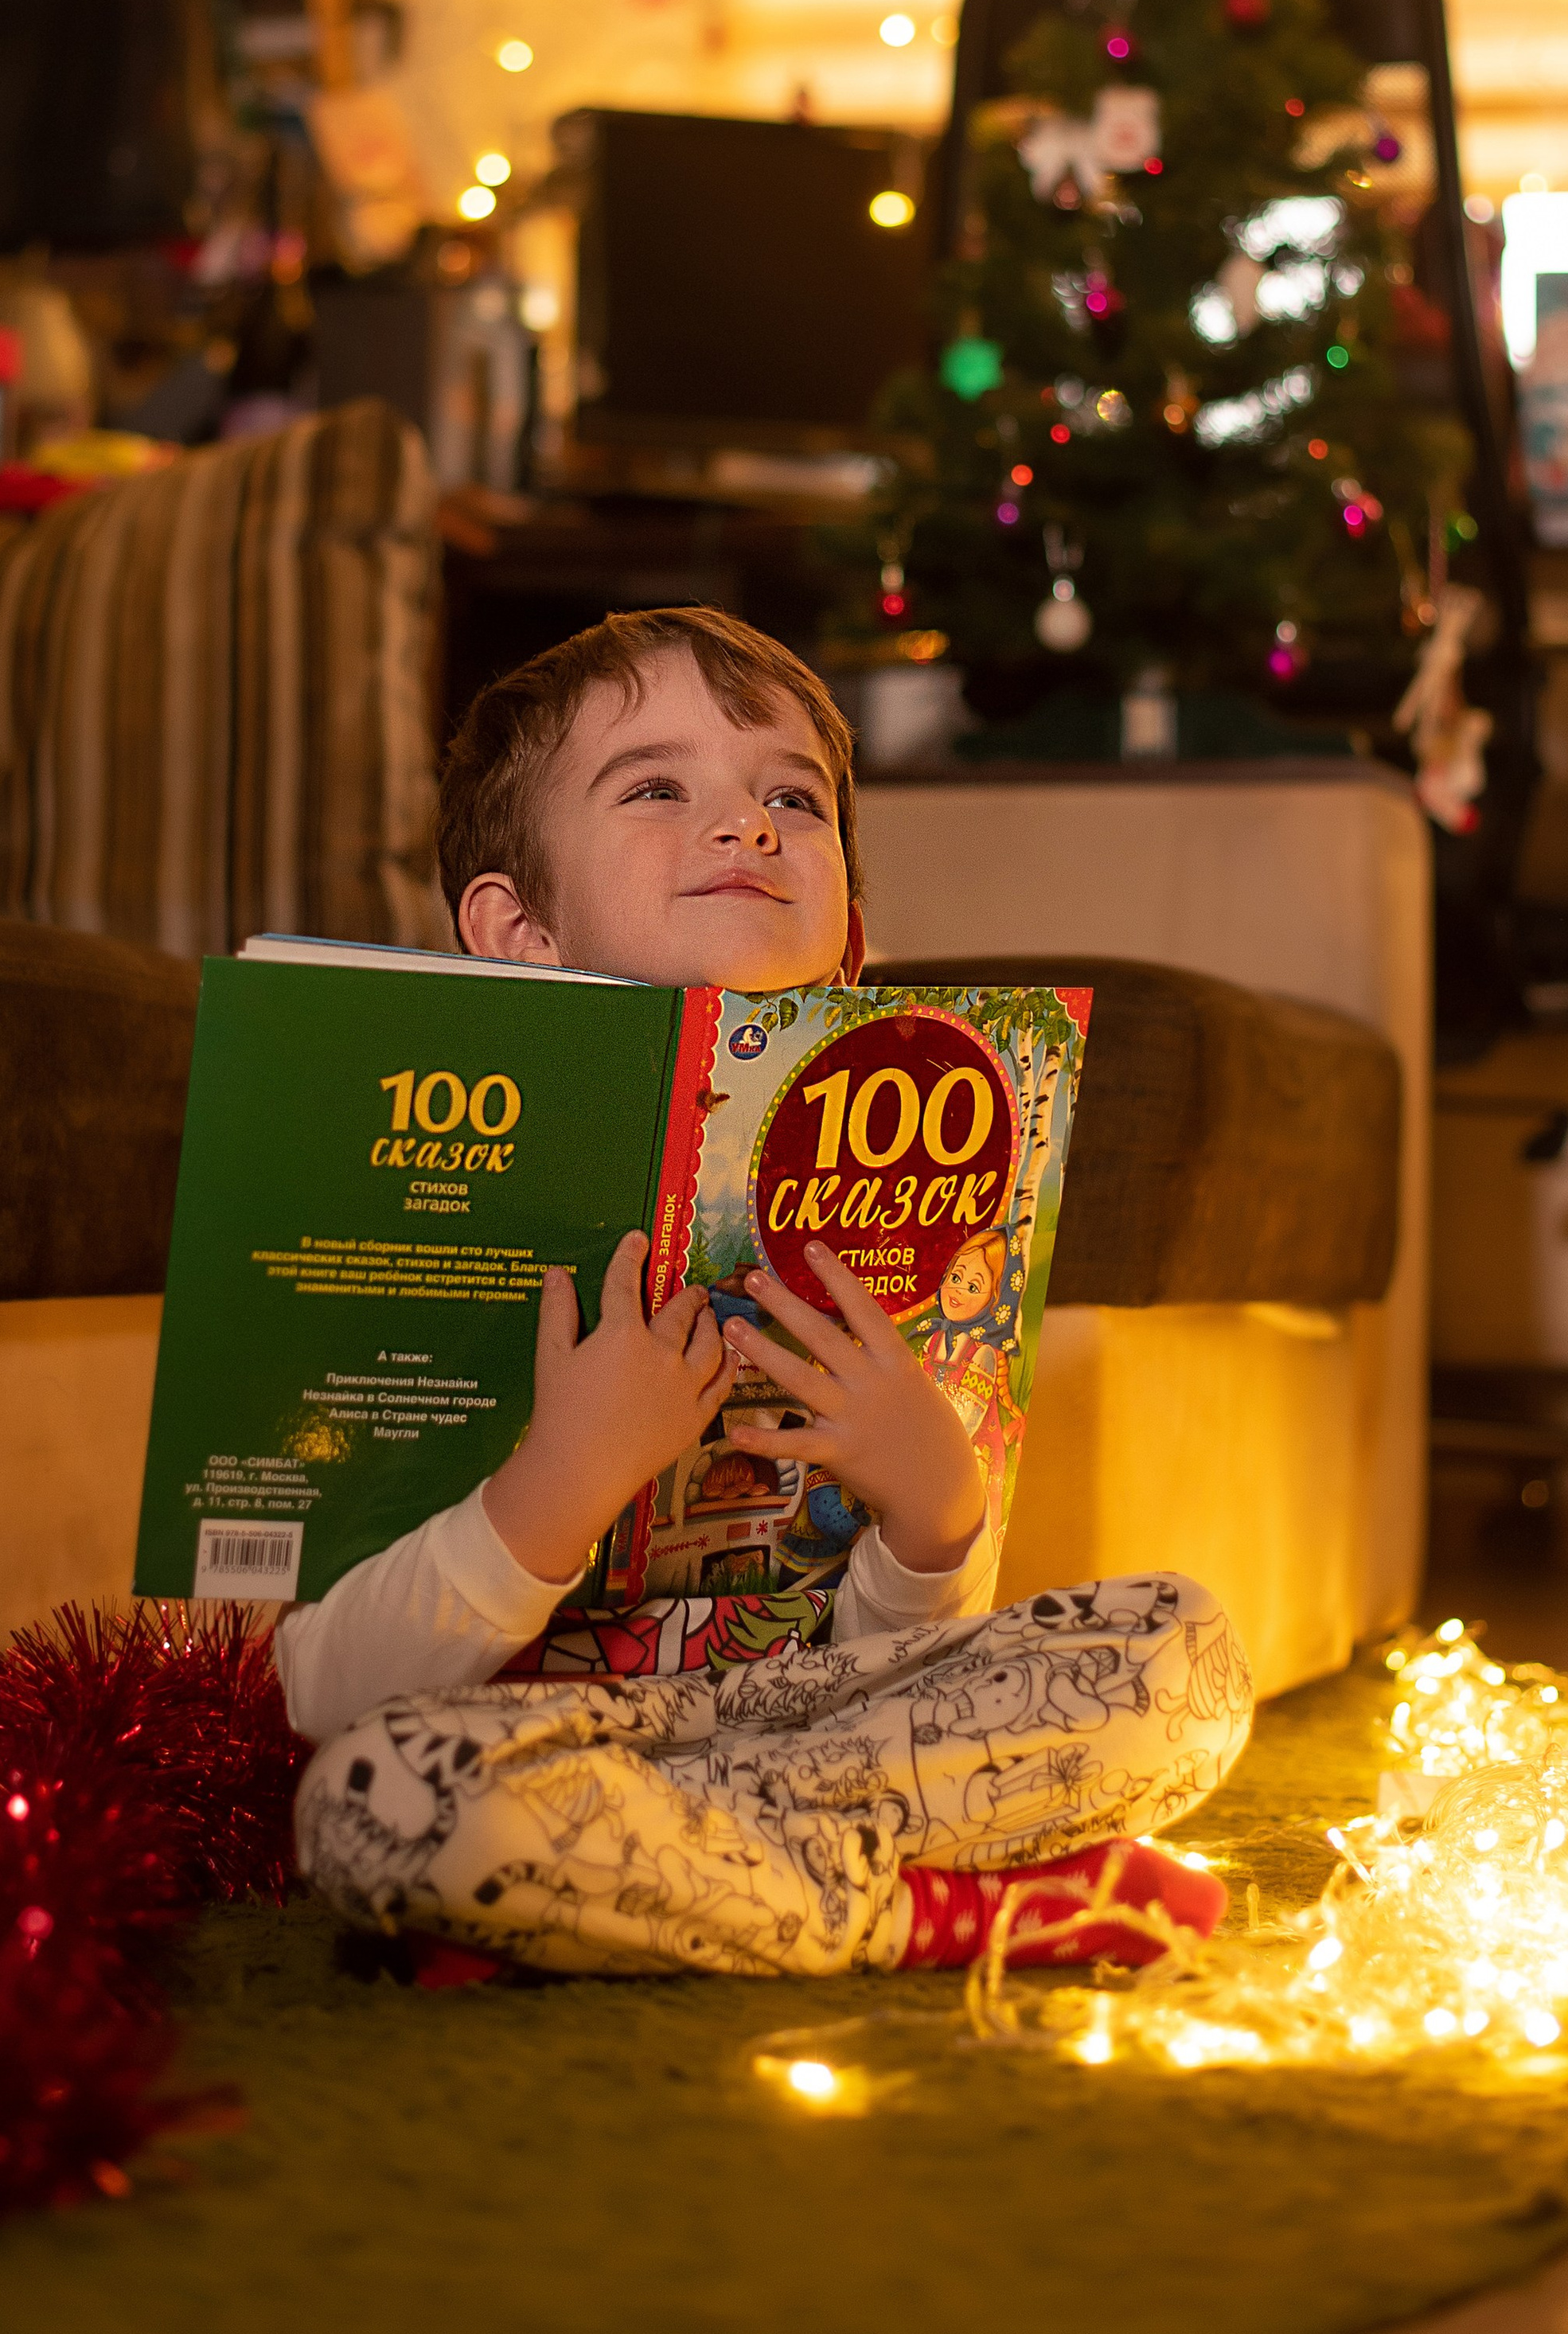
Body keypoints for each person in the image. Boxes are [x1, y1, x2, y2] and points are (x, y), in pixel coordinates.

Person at [284, 608, 1254, 1979]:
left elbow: (876, 1672)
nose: (747, 826)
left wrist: (932, 1515)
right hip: (527, 1746)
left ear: (852, 943)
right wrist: (561, 1483)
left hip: (809, 1731)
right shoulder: (415, 1185)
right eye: (659, 786)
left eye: (789, 796)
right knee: (373, 1798)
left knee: (1186, 1657)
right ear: (518, 931)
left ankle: (662, 1893)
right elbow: (322, 1689)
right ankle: (930, 1914)